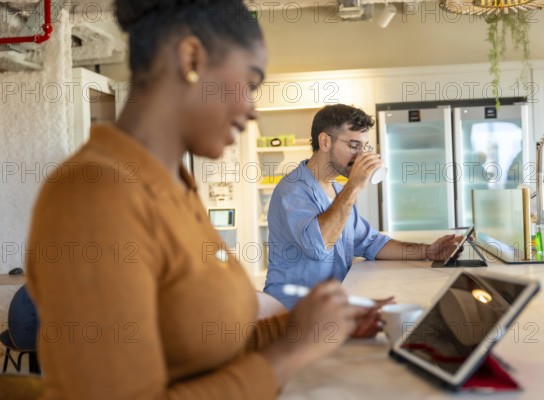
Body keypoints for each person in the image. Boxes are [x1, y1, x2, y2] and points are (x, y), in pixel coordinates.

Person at [25, 2, 374, 399]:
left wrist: (318, 325)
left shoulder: (176, 188)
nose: (251, 111)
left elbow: (204, 348)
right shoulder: (95, 197)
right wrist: (293, 351)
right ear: (191, 58)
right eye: (249, 83)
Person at [264, 104, 462, 309]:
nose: (360, 155)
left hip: (331, 306)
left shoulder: (339, 190)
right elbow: (318, 246)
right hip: (294, 312)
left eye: (363, 147)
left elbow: (370, 243)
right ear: (325, 141)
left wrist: (428, 251)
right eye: (353, 145)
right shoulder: (293, 189)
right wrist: (354, 186)